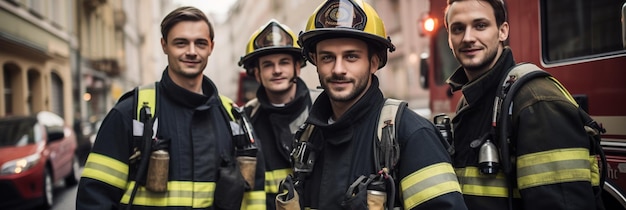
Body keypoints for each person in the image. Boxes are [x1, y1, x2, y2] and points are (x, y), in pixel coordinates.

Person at [278, 0, 468, 209]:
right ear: (315, 61)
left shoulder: (412, 134)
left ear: (374, 62)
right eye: (327, 57)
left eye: (351, 56)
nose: (338, 69)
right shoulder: (310, 137)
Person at [76, 6, 248, 209]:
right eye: (181, 43)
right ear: (164, 45)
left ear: (211, 46)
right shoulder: (130, 113)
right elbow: (95, 198)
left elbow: (251, 194)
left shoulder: (231, 116)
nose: (191, 51)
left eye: (200, 43)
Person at [444, 0, 604, 209]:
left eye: (480, 25)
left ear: (502, 31)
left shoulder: (536, 100)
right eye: (458, 28)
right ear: (449, 39)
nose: (468, 38)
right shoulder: (470, 101)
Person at [237, 19, 316, 209]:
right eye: (268, 65)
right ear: (257, 73)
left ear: (297, 67)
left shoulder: (321, 108)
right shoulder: (245, 119)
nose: (277, 70)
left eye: (284, 62)